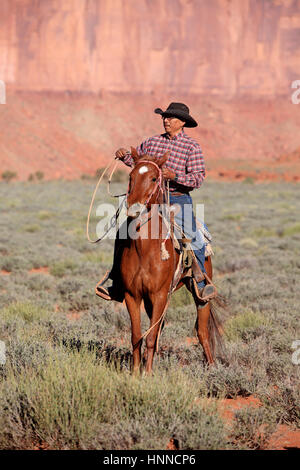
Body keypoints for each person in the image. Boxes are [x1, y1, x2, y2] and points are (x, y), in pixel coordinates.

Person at [96, 102, 217, 301]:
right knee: (123, 233)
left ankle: (201, 283)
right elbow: (138, 163)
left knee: (194, 236)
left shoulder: (191, 147)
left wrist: (175, 176)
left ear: (183, 123)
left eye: (171, 118)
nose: (166, 121)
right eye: (164, 117)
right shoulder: (152, 142)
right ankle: (117, 281)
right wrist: (124, 156)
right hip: (150, 200)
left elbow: (198, 179)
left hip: (177, 199)